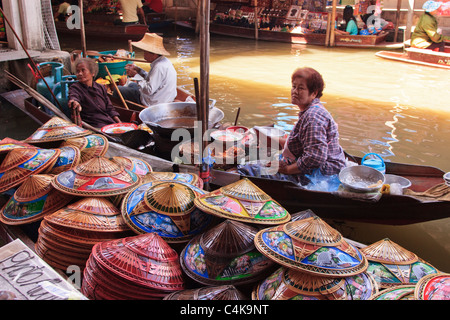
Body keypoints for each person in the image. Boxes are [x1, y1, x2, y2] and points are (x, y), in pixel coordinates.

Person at [238, 67, 346, 187]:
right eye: (294, 86)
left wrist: (287, 170)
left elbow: (315, 157)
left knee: (245, 170)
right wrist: (262, 138)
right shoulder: (310, 111)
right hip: (308, 165)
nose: (295, 91)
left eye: (301, 88)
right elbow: (298, 144)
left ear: (314, 93)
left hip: (318, 176)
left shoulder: (313, 117)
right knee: (258, 161)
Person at [113, 33, 177, 107]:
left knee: (117, 90)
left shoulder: (159, 67)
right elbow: (152, 79)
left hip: (155, 102)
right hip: (162, 97)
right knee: (132, 84)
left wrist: (135, 75)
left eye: (145, 52)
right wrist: (139, 70)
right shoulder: (163, 61)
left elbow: (149, 90)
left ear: (154, 54)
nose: (144, 54)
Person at [68, 58, 122, 129]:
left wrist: (120, 123)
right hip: (93, 126)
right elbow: (74, 96)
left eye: (83, 70)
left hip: (108, 122)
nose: (80, 73)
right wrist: (74, 102)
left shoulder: (101, 87)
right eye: (78, 71)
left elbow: (110, 109)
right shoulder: (75, 88)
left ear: (92, 73)